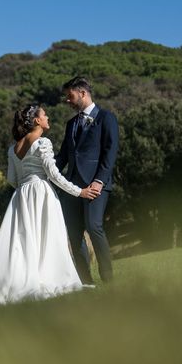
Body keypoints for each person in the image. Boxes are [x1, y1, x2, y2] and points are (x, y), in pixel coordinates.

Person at [0, 105, 98, 308]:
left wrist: (25, 187)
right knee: (48, 237)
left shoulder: (13, 149)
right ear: (37, 121)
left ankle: (26, 279)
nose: (47, 117)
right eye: (44, 114)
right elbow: (54, 175)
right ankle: (53, 278)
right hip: (41, 193)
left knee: (25, 240)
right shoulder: (42, 143)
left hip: (21, 196)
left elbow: (12, 179)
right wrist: (79, 191)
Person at [55, 76, 119, 284]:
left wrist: (99, 181)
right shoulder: (71, 124)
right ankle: (86, 283)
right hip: (72, 187)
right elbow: (63, 156)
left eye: (70, 96)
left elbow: (110, 153)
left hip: (95, 185)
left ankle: (108, 280)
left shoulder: (106, 118)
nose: (67, 100)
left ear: (82, 93)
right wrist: (44, 173)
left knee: (94, 227)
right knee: (73, 235)